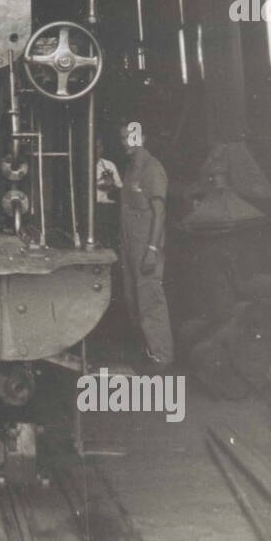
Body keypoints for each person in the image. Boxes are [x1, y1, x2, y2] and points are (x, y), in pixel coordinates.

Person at [118, 121, 174, 366]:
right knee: (133, 301)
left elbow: (159, 213)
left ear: (142, 138)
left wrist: (152, 250)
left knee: (150, 303)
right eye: (122, 139)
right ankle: (148, 352)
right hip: (130, 247)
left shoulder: (152, 169)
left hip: (145, 249)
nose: (124, 143)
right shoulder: (130, 169)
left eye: (128, 138)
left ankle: (162, 358)